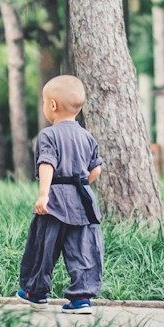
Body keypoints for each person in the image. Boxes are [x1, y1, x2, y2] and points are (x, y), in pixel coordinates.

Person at [16, 74, 103, 313]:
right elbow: (95, 169)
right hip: (83, 200)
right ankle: (81, 299)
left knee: (43, 245)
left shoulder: (48, 135)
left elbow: (47, 164)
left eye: (44, 102)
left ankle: (36, 293)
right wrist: (82, 182)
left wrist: (44, 194)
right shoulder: (87, 136)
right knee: (82, 249)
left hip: (55, 200)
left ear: (52, 105)